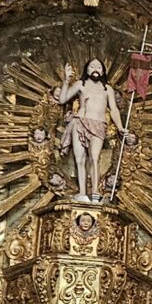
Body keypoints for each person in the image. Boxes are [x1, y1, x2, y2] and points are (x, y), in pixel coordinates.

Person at [51, 57, 122, 202]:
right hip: (80, 122)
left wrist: (120, 127)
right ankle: (83, 193)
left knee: (94, 158)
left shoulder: (107, 88)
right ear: (87, 70)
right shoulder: (80, 84)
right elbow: (63, 99)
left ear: (102, 71)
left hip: (99, 124)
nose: (95, 69)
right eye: (92, 66)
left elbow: (114, 109)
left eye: (98, 67)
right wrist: (66, 80)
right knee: (80, 159)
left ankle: (95, 192)